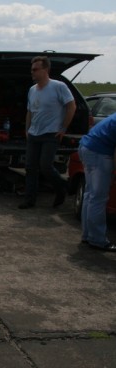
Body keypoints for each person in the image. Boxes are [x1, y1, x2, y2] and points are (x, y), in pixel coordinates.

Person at [19, 56, 76, 209]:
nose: (33, 72)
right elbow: (30, 111)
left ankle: (62, 187)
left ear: (46, 70)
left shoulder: (58, 86)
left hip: (51, 133)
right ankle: (29, 200)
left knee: (45, 165)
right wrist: (27, 130)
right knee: (30, 167)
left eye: (35, 69)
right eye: (32, 69)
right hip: (34, 133)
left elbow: (71, 107)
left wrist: (63, 128)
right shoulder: (32, 90)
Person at [77, 112, 116, 252]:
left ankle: (88, 235)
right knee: (98, 197)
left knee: (90, 195)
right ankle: (97, 239)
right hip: (99, 153)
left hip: (87, 147)